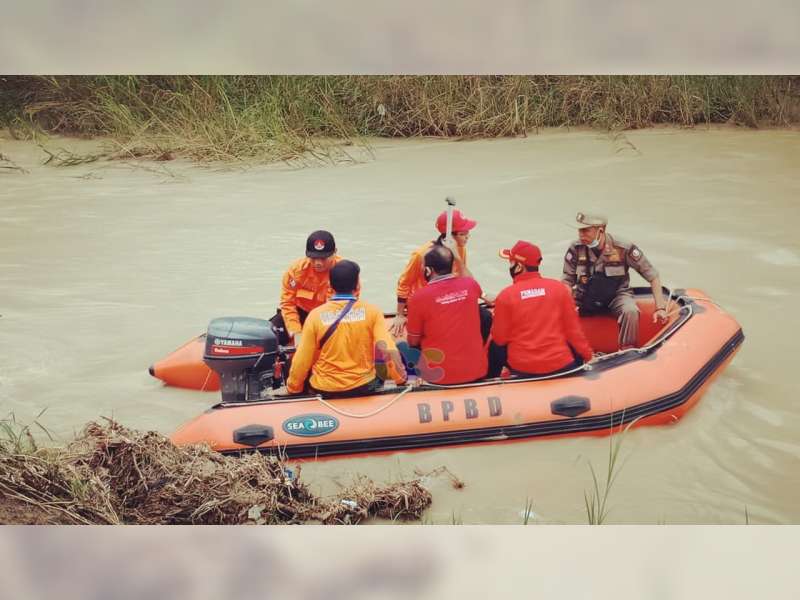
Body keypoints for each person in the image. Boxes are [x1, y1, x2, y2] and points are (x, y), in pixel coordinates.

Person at [286, 260, 407, 397]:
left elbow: (302, 359)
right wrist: (401, 380)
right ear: (357, 285)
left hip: (324, 388)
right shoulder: (372, 312)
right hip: (364, 386)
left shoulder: (315, 316)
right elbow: (387, 349)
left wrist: (293, 388)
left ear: (330, 285)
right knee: (379, 376)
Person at [562, 212, 667, 350]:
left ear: (600, 230)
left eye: (585, 230)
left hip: (616, 295)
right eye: (579, 230)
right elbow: (567, 282)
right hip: (584, 295)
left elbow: (652, 276)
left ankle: (627, 351)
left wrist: (660, 308)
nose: (581, 235)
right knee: (556, 313)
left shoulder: (623, 248)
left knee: (630, 311)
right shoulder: (576, 248)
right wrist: (565, 306)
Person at [488, 240, 593, 378]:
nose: (510, 266)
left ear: (519, 266)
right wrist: (589, 357)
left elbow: (500, 339)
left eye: (511, 263)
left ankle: (490, 381)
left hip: (523, 367)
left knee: (493, 343)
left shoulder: (506, 296)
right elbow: (574, 332)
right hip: (561, 364)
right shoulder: (559, 289)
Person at [390, 208, 480, 337]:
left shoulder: (460, 249)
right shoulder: (421, 255)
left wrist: (457, 257)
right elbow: (404, 283)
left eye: (468, 233)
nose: (467, 236)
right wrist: (399, 314)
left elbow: (465, 281)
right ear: (450, 236)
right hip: (424, 302)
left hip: (446, 298)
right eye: (463, 233)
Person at [406, 245, 488, 384]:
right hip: (477, 370)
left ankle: (412, 381)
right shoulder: (470, 285)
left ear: (428, 270)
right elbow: (472, 281)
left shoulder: (418, 297)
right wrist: (458, 259)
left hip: (439, 376)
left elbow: (413, 341)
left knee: (404, 346)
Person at [272, 230, 358, 347]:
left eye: (323, 258)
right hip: (301, 313)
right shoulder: (296, 271)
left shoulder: (345, 273)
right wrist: (296, 332)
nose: (318, 263)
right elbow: (288, 303)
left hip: (331, 316)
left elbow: (349, 305)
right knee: (271, 335)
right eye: (313, 258)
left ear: (335, 252)